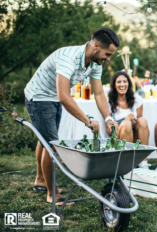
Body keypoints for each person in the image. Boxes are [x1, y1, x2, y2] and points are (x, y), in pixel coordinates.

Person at [24, 28, 120, 206]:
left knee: (44, 138)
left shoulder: (95, 63)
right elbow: (64, 96)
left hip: (53, 96)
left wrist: (108, 118)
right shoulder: (68, 57)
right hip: (39, 96)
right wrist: (87, 121)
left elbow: (99, 93)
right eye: (108, 54)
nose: (108, 59)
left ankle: (40, 179)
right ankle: (52, 194)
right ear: (96, 45)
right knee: (51, 144)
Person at [107, 71, 150, 169]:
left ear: (129, 84)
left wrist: (133, 123)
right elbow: (109, 132)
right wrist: (125, 121)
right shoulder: (108, 102)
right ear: (114, 85)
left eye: (125, 81)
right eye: (119, 82)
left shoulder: (137, 99)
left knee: (142, 120)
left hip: (134, 138)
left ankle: (143, 162)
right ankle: (127, 164)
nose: (122, 84)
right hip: (118, 140)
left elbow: (140, 125)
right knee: (126, 124)